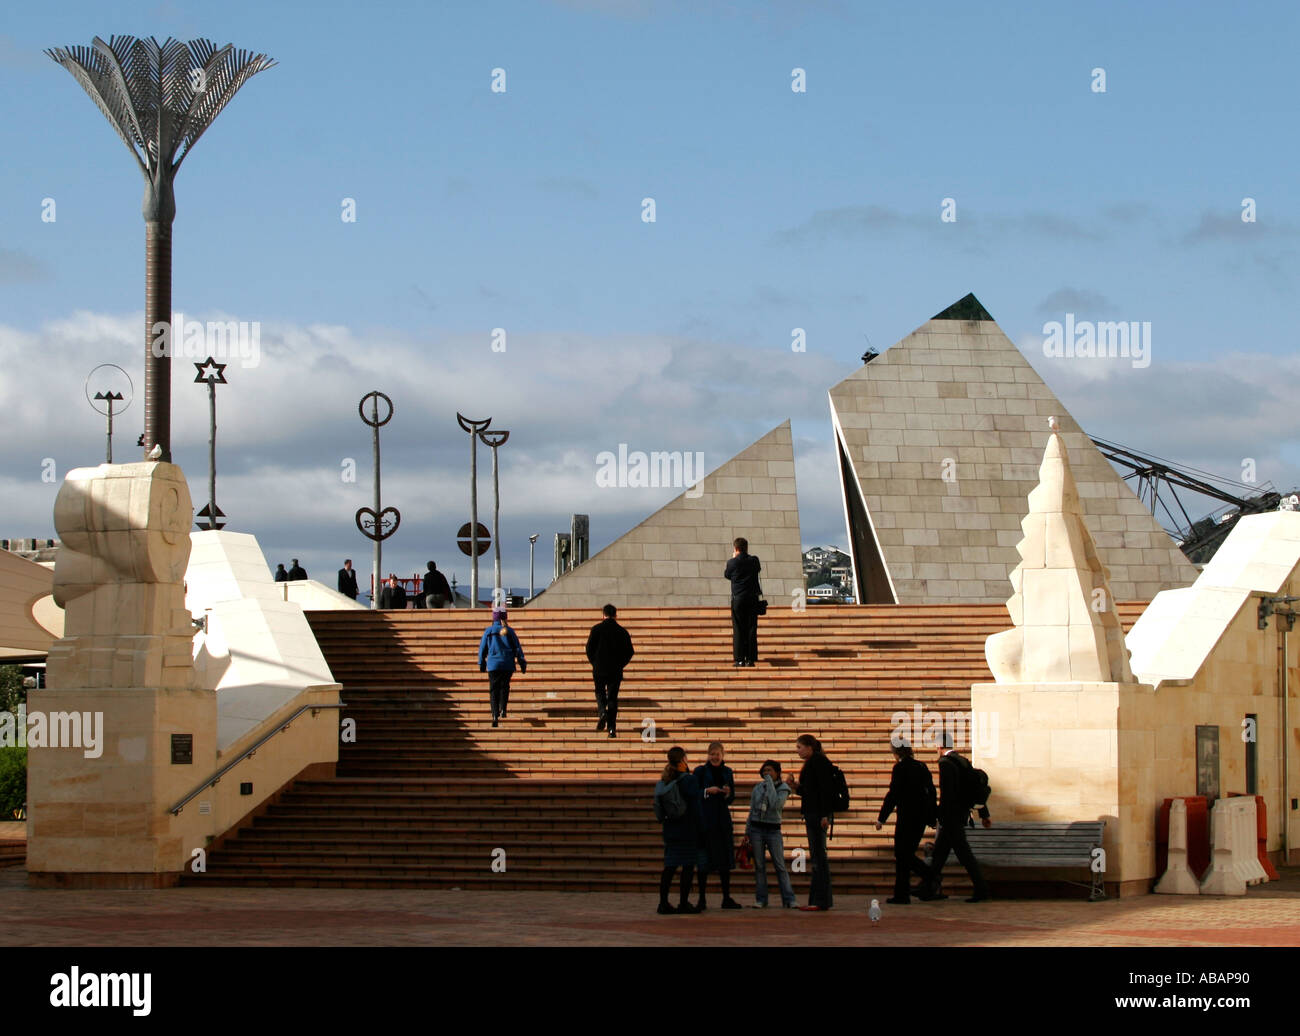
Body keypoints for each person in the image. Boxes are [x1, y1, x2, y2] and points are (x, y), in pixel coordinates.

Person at [921, 732, 991, 903]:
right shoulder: (962, 761)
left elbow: (947, 793)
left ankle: (981, 889)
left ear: (939, 746)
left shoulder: (945, 763)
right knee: (939, 854)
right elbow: (973, 787)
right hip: (960, 814)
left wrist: (939, 814)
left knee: (964, 855)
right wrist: (984, 813)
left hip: (950, 817)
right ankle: (927, 889)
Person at [875, 740, 937, 904]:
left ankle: (927, 877)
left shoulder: (900, 768)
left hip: (906, 817)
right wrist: (932, 818)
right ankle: (904, 892)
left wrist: (882, 817)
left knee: (902, 854)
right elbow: (931, 793)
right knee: (905, 855)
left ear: (896, 753)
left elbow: (893, 794)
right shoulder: (921, 766)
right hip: (921, 818)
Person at [655, 746, 705, 914]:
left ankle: (663, 903)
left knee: (670, 866)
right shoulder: (689, 780)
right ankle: (683, 902)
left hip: (670, 828)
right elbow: (695, 805)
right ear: (683, 760)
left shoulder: (664, 780)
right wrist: (701, 827)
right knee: (688, 866)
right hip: (688, 827)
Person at [788, 733, 834, 911]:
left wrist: (824, 814)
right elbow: (810, 791)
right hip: (813, 812)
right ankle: (818, 899)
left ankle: (820, 900)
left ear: (809, 747)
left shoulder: (818, 762)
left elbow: (825, 790)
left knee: (819, 857)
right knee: (817, 857)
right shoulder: (814, 762)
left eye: (799, 747)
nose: (797, 751)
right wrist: (796, 787)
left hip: (816, 814)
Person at [692, 742, 741, 910]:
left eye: (717, 754)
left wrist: (727, 794)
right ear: (708, 755)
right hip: (705, 819)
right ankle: (702, 899)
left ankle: (726, 897)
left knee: (724, 862)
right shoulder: (700, 771)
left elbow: (732, 797)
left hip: (722, 819)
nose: (714, 757)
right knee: (704, 861)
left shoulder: (727, 772)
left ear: (722, 755)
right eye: (712, 754)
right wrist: (707, 791)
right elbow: (693, 793)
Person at [746, 759, 796, 908]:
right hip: (756, 829)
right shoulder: (757, 788)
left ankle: (789, 899)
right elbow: (752, 809)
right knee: (760, 866)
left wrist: (770, 786)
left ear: (777, 773)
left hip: (773, 829)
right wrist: (747, 831)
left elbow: (775, 805)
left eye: (770, 771)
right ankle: (761, 899)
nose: (767, 773)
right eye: (765, 771)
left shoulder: (783, 788)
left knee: (779, 865)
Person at [585, 604, 634, 738]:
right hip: (615, 670)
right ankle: (612, 729)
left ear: (603, 615)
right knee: (612, 698)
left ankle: (602, 713)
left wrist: (594, 663)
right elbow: (630, 651)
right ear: (616, 615)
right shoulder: (621, 631)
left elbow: (589, 649)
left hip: (599, 669)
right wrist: (621, 664)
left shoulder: (596, 629)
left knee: (600, 692)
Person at [478, 608, 525, 728]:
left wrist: (481, 663)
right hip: (507, 664)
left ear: (493, 618)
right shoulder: (510, 631)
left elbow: (482, 649)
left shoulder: (489, 631)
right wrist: (522, 662)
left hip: (493, 664)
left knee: (494, 689)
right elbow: (518, 649)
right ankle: (503, 709)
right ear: (505, 617)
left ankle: (494, 714)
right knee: (504, 686)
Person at [724, 536, 761, 667]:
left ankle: (739, 659)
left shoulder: (732, 562)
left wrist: (734, 558)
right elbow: (758, 570)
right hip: (752, 598)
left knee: (738, 629)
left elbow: (727, 575)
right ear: (746, 548)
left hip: (738, 599)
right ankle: (751, 659)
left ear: (736, 548)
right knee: (751, 628)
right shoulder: (754, 560)